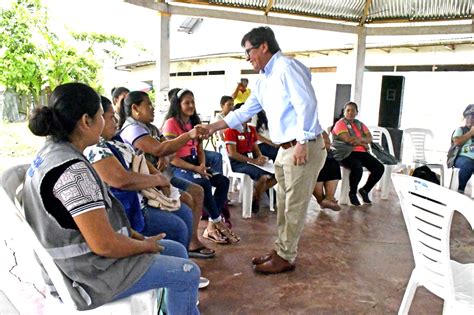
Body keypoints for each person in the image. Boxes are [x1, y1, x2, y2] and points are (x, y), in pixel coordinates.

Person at [23, 83, 200, 313]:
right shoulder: (71, 171)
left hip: (84, 263)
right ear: (87, 121)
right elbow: (104, 244)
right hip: (87, 277)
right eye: (101, 116)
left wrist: (135, 237)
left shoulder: (51, 152)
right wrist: (141, 245)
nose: (108, 122)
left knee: (175, 250)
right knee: (187, 274)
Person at [199, 26, 326, 274]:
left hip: (302, 146)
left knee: (293, 205)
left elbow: (307, 103)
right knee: (285, 203)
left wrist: (302, 141)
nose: (248, 57)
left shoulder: (286, 68)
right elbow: (245, 111)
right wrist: (214, 126)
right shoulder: (263, 80)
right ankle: (281, 250)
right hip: (285, 148)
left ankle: (286, 255)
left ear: (264, 46)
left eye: (249, 51)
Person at [85, 96, 215, 259]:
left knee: (188, 205)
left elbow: (150, 157)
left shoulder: (119, 140)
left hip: (146, 192)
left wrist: (161, 175)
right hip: (133, 206)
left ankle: (187, 253)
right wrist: (160, 180)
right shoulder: (100, 146)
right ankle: (180, 265)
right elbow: (123, 179)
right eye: (111, 116)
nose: (115, 119)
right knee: (179, 224)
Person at [116, 91, 213, 250]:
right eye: (148, 105)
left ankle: (192, 240)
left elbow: (170, 150)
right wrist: (188, 136)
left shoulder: (150, 128)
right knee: (187, 199)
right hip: (147, 183)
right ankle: (184, 241)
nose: (152, 108)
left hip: (160, 176)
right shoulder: (132, 129)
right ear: (135, 108)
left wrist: (164, 157)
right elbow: (160, 148)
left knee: (197, 191)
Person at [162, 88, 240, 244]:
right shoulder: (171, 124)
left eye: (192, 102)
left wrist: (202, 165)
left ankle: (211, 225)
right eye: (187, 103)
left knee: (223, 181)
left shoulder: (195, 123)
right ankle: (219, 224)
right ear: (178, 105)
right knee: (202, 183)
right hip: (178, 167)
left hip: (195, 164)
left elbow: (199, 149)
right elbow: (172, 159)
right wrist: (196, 169)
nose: (191, 105)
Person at [224, 103, 276, 213]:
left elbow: (255, 148)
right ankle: (256, 198)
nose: (251, 115)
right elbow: (232, 154)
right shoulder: (231, 130)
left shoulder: (251, 130)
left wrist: (260, 157)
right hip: (237, 162)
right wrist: (253, 161)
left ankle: (256, 194)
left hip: (249, 160)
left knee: (279, 173)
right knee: (262, 177)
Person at [332, 101, 384, 206]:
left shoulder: (359, 124)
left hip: (361, 153)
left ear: (357, 112)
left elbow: (370, 138)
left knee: (379, 168)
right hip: (344, 153)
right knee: (357, 166)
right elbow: (348, 140)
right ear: (344, 112)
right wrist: (363, 142)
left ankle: (365, 190)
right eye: (348, 110)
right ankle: (352, 193)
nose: (350, 113)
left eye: (353, 110)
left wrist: (361, 141)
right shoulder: (340, 124)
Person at [313, 131, 341, 211]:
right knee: (316, 167)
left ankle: (329, 197)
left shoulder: (318, 129)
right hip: (307, 156)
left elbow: (327, 142)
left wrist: (325, 144)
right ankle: (323, 201)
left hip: (323, 154)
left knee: (332, 163)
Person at [452, 104, 474, 193]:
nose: (469, 119)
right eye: (468, 117)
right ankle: (460, 190)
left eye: (472, 118)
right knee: (467, 165)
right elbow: (457, 142)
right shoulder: (460, 130)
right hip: (461, 158)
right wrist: (471, 133)